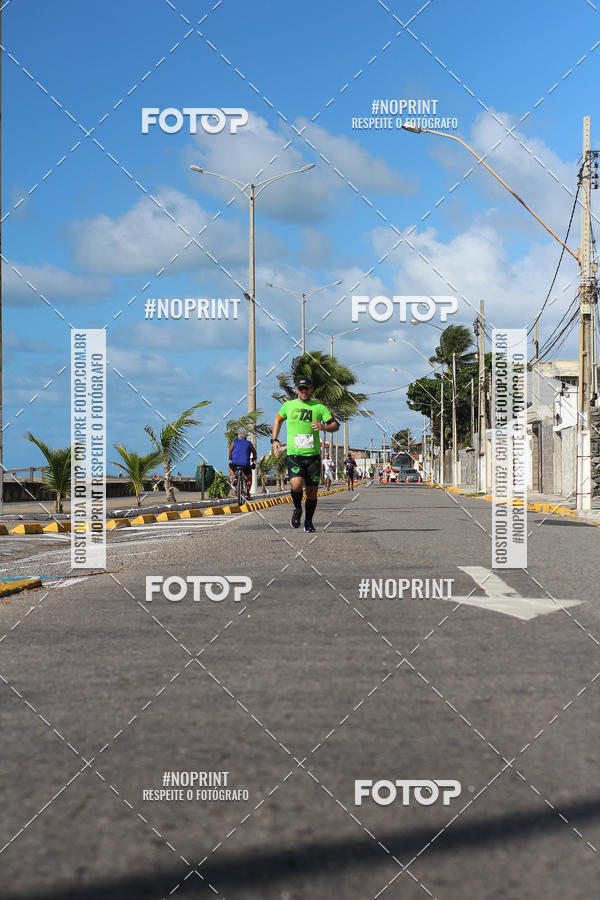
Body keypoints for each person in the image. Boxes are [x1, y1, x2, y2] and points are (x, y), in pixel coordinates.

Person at [271, 376, 339, 532]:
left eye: (306, 388)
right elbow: (278, 420)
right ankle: (297, 508)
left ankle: (308, 521)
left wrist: (323, 427)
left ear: (311, 389)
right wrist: (274, 440)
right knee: (296, 485)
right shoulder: (288, 406)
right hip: (294, 455)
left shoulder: (319, 407)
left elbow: (335, 425)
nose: (303, 391)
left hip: (313, 456)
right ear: (296, 390)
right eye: (301, 389)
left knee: (312, 493)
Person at [228, 430, 257, 498]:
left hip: (235, 464)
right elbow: (254, 453)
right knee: (249, 478)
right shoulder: (249, 443)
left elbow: (230, 454)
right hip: (246, 464)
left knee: (229, 467)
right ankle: (247, 493)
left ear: (238, 437)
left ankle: (234, 476)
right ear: (245, 438)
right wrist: (254, 458)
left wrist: (231, 458)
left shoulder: (233, 442)